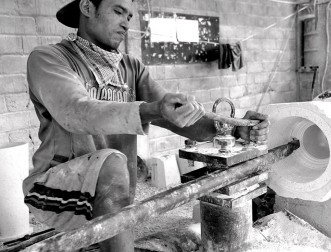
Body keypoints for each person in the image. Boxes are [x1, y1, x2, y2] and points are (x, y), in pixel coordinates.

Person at [22, 0, 269, 251]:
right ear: (87, 7)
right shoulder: (49, 58)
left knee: (122, 170)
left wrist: (234, 128)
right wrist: (151, 108)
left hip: (112, 194)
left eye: (129, 16)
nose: (126, 23)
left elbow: (180, 120)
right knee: (111, 164)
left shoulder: (130, 67)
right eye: (118, 11)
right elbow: (75, 112)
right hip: (53, 190)